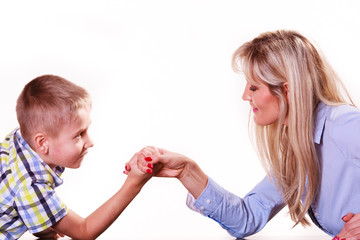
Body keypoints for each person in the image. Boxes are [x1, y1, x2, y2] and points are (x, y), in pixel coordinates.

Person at [125, 30, 360, 240]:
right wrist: (187, 171)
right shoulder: (297, 149)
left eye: (254, 87)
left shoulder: (343, 125)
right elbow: (247, 218)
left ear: (287, 90)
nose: (245, 96)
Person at [0, 75, 150, 239]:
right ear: (42, 142)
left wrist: (43, 223)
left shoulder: (22, 135)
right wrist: (134, 182)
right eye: (79, 135)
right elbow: (84, 232)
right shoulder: (31, 186)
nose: (90, 142)